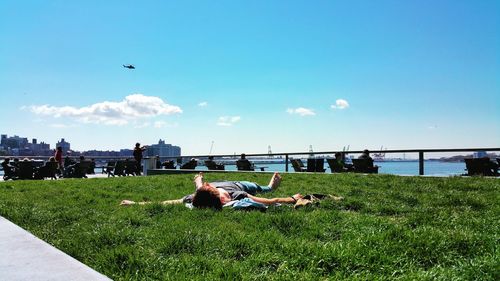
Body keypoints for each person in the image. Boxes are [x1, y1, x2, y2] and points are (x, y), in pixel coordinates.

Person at [121, 172, 303, 210]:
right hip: (240, 184)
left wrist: (135, 203)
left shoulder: (197, 196)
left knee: (200, 186)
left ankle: (198, 179)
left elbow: (169, 202)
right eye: (217, 191)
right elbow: (266, 201)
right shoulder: (235, 195)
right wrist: (291, 199)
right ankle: (271, 184)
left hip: (213, 187)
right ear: (225, 200)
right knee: (263, 189)